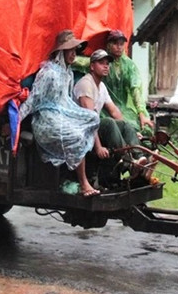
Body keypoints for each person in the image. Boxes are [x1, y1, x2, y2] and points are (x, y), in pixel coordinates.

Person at [18, 30, 100, 197]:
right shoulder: (49, 72)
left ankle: (80, 176)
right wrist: (15, 123)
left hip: (61, 113)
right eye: (70, 50)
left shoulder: (68, 73)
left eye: (75, 51)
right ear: (61, 51)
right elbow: (33, 100)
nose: (73, 54)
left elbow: (67, 100)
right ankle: (84, 183)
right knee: (76, 135)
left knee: (93, 117)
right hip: (45, 119)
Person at [73, 49, 150, 185]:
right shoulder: (86, 84)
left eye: (107, 63)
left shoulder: (101, 86)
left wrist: (132, 131)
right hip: (82, 130)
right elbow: (89, 121)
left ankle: (140, 160)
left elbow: (115, 111)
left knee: (125, 125)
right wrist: (98, 147)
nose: (106, 66)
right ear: (92, 66)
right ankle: (129, 164)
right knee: (108, 123)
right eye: (101, 63)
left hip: (93, 128)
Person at [104, 29, 155, 134]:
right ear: (109, 45)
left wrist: (141, 112)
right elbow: (85, 63)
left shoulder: (129, 65)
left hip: (122, 106)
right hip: (104, 106)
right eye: (115, 43)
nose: (119, 47)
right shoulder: (103, 62)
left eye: (121, 44)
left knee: (143, 127)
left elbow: (135, 89)